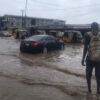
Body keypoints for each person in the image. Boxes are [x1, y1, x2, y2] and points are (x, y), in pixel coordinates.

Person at [81, 22, 100, 94]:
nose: (96, 28)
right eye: (94, 27)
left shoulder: (87, 35)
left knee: (97, 75)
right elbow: (85, 47)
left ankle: (97, 90)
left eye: (96, 27)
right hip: (91, 58)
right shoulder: (87, 35)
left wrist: (83, 59)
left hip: (97, 59)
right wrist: (83, 59)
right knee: (90, 75)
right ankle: (90, 89)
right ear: (92, 28)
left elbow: (85, 48)